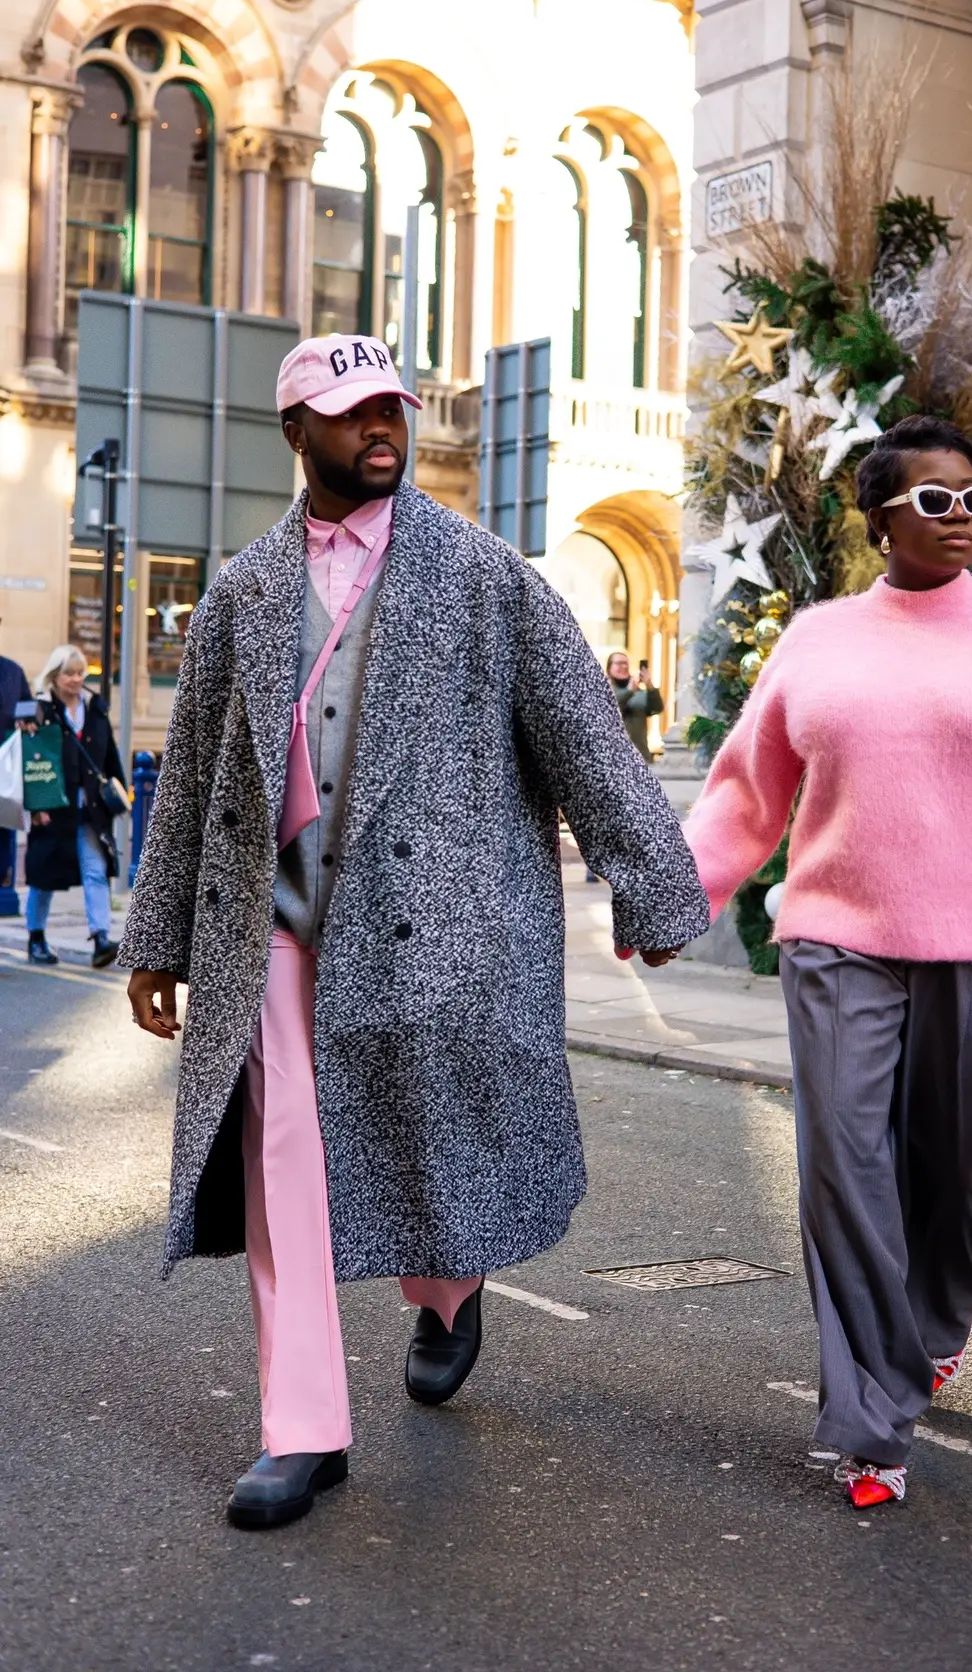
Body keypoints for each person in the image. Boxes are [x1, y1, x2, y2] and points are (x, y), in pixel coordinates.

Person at [121, 333, 710, 1532]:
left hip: (442, 936)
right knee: (283, 1166)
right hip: (275, 932)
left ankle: (447, 1291)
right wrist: (159, 933)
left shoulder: (488, 577)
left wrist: (653, 886)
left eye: (390, 405)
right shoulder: (242, 590)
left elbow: (586, 742)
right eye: (350, 413)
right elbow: (196, 775)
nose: (380, 426)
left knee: (430, 1146)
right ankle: (302, 1432)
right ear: (298, 434)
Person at [683, 415, 972, 1511]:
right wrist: (677, 896)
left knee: (957, 1182)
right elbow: (750, 789)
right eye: (935, 501)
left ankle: (931, 1331)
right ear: (879, 517)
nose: (961, 520)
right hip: (837, 944)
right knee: (844, 1170)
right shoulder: (821, 637)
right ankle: (872, 1418)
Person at [24, 644, 125, 969]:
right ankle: (36, 937)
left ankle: (100, 939)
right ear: (54, 676)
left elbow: (109, 755)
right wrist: (35, 806)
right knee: (44, 875)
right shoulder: (38, 710)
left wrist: (119, 790)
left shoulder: (95, 708)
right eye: (69, 673)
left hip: (91, 808)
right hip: (53, 807)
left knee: (95, 871)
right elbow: (31, 762)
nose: (76, 679)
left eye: (81, 673)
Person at [0, 617, 32, 908]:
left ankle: (4, 890)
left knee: (4, 832)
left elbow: (28, 711)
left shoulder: (13, 671)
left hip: (6, 771)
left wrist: (28, 722)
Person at [606, 650, 664, 762]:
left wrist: (650, 686)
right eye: (619, 663)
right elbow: (611, 706)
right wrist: (629, 692)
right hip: (613, 755)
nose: (623, 666)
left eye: (626, 663)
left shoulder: (638, 692)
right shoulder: (604, 689)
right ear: (609, 668)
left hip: (639, 754)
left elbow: (657, 708)